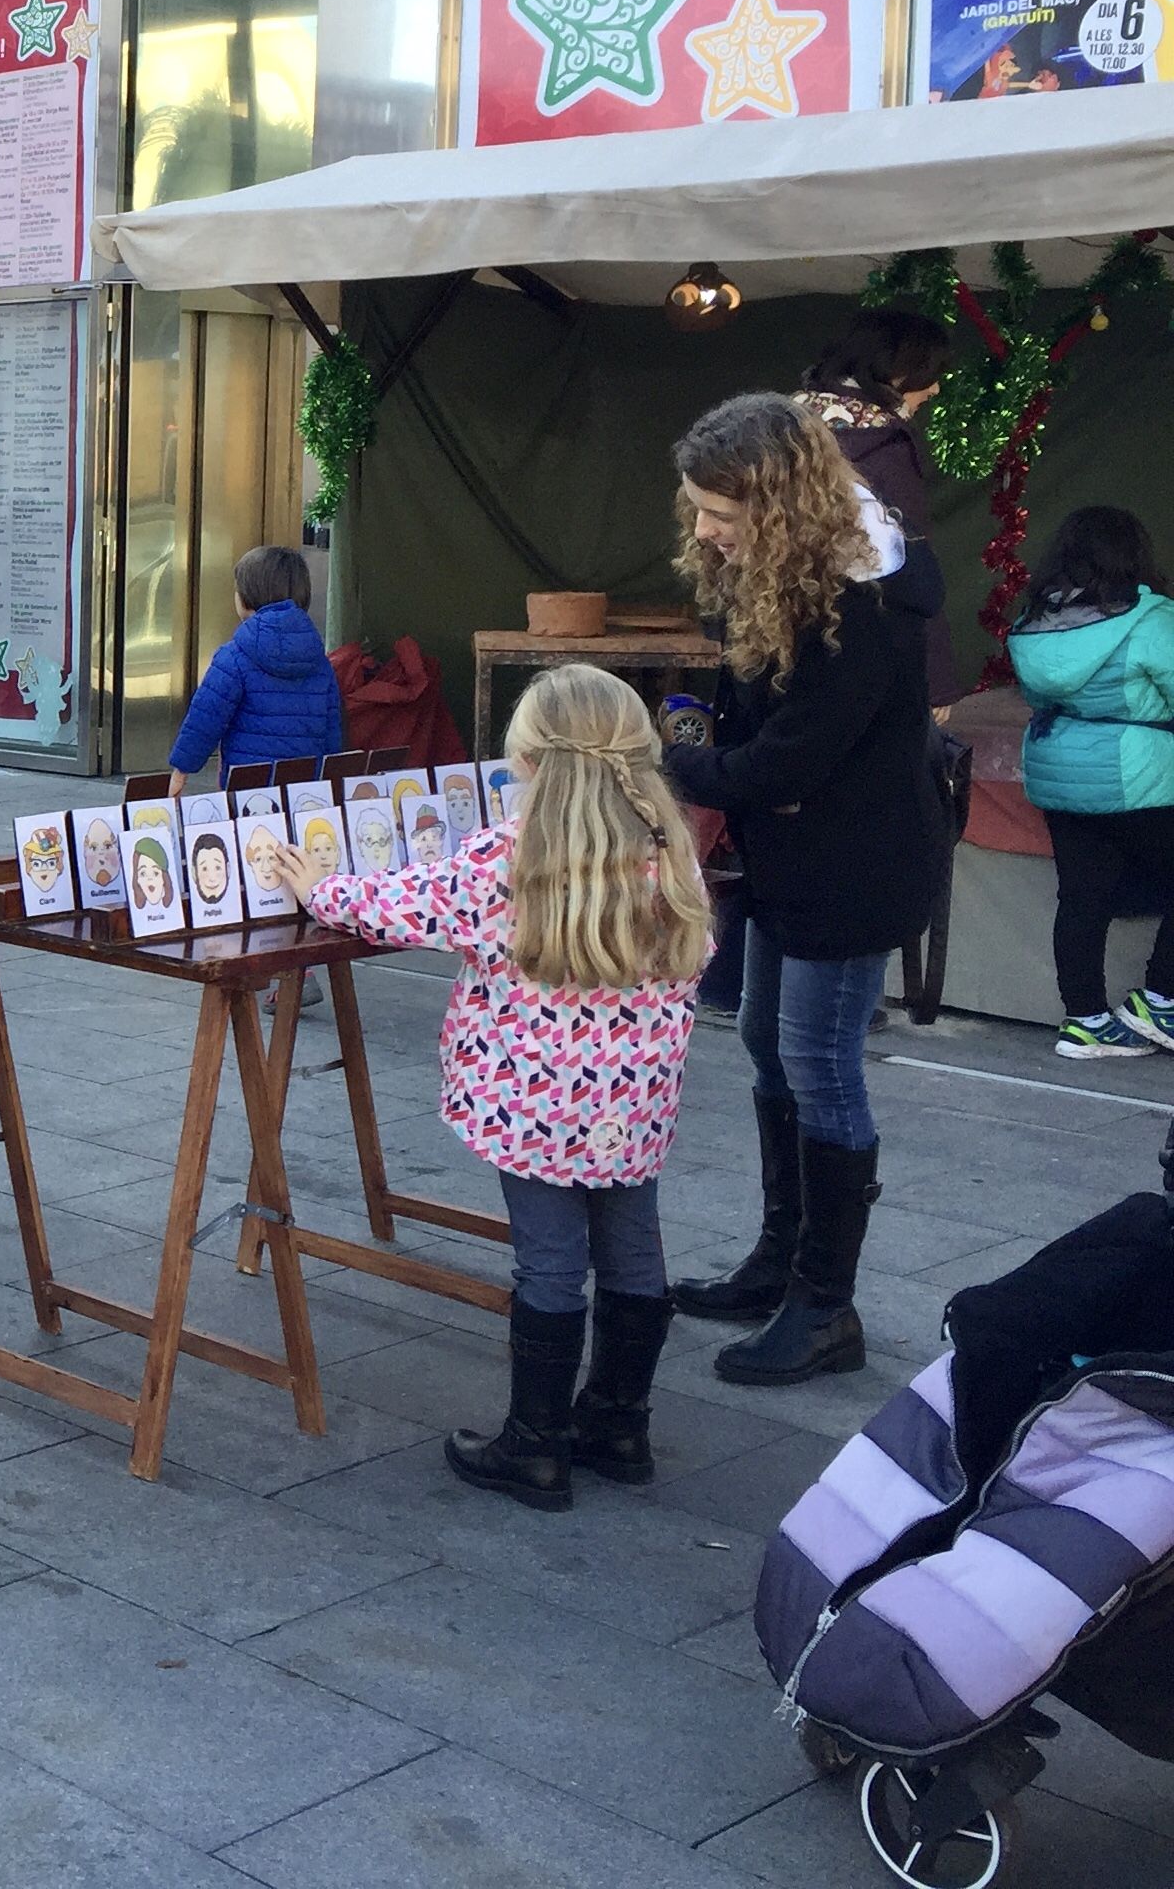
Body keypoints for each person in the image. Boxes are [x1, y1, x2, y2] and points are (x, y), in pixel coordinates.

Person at [265, 664, 711, 1510]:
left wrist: (316, 887)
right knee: (632, 1249)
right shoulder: (666, 847)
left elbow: (405, 906)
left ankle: (535, 1447)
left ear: (535, 763)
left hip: (534, 1104)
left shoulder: (510, 857)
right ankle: (618, 1424)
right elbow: (703, 955)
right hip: (634, 1103)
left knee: (549, 1264)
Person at [659, 392, 942, 1385]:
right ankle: (781, 1260)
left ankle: (827, 1305)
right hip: (798, 856)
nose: (705, 533)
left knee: (821, 1061)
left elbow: (789, 762)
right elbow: (755, 735)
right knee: (761, 1039)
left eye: (722, 517)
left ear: (779, 507)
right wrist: (710, 744)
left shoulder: (861, 603)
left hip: (854, 863)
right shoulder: (790, 580)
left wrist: (676, 766)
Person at [1008, 506, 1174, 1058]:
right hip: (1136, 776)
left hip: (1057, 772)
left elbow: (1038, 697)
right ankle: (1160, 999)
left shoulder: (1036, 619)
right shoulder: (1150, 619)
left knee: (1081, 899)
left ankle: (1085, 1021)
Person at [800, 309, 959, 709]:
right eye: (931, 374)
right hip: (864, 649)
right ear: (901, 370)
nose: (936, 389)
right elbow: (910, 562)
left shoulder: (779, 427)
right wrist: (936, 684)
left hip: (777, 639)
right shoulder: (883, 446)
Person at [168, 546, 343, 785]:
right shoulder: (318, 660)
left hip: (247, 786)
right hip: (304, 786)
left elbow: (206, 718)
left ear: (247, 596)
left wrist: (181, 770)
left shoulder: (234, 655)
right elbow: (332, 727)